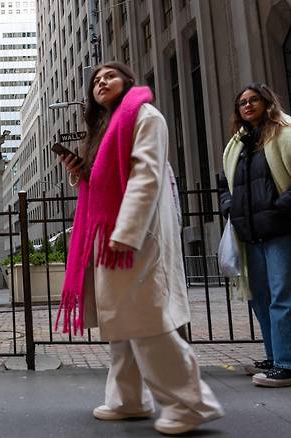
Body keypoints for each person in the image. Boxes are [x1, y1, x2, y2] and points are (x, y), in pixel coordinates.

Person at [56, 62, 224, 435]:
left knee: (146, 319)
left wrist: (127, 231)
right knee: (121, 320)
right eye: (96, 81)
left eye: (109, 76)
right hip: (114, 234)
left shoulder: (145, 116)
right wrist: (79, 171)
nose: (101, 82)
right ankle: (127, 399)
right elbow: (102, 182)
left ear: (128, 81)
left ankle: (190, 403)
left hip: (135, 235)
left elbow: (146, 176)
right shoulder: (105, 128)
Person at [218, 83, 291, 388]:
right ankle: (274, 357)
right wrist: (228, 206)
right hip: (250, 233)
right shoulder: (238, 143)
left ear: (266, 102)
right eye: (242, 103)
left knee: (282, 296)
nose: (247, 105)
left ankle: (286, 363)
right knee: (259, 298)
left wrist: (279, 207)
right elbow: (225, 183)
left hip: (280, 230)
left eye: (253, 100)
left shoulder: (283, 133)